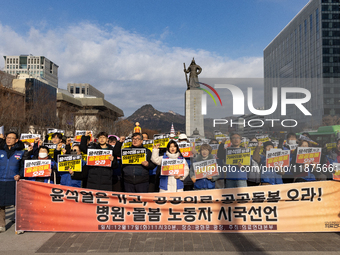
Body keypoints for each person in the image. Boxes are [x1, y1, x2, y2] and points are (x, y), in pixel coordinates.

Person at [0, 132, 25, 233]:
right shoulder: (1, 150)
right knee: (1, 204)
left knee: (17, 204)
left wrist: (20, 175)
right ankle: (1, 225)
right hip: (1, 180)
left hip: (14, 181)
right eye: (7, 137)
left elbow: (23, 167)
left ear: (16, 140)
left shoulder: (21, 152)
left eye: (11, 138)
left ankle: (20, 225)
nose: (9, 139)